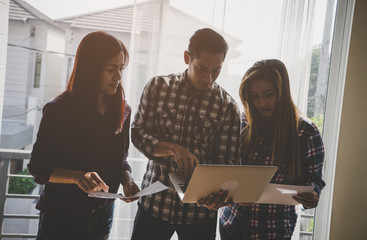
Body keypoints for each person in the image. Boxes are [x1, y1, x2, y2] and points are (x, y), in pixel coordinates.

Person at [27, 31, 140, 240]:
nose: (118, 77)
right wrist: (78, 177)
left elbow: (120, 161)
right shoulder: (58, 111)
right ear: (91, 70)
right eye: (111, 69)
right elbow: (38, 168)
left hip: (103, 213)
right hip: (61, 216)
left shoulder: (123, 110)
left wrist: (128, 180)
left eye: (121, 69)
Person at [130, 28, 241, 240]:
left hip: (199, 216)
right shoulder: (157, 87)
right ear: (186, 58)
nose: (208, 78)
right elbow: (138, 133)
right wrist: (173, 150)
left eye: (216, 70)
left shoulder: (227, 107)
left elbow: (227, 165)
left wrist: (219, 196)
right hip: (154, 205)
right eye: (201, 68)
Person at [219, 59, 326, 240]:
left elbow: (314, 179)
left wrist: (313, 194)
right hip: (233, 223)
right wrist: (233, 193)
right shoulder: (242, 122)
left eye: (268, 94)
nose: (262, 103)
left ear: (282, 93)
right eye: (254, 95)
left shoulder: (306, 132)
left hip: (273, 229)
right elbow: (225, 169)